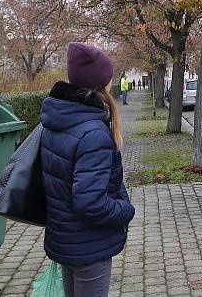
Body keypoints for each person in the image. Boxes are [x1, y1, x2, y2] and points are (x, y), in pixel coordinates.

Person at [40, 42, 135, 297]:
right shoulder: (93, 133)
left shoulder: (55, 122)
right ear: (100, 83)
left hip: (65, 239)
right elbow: (90, 202)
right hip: (89, 245)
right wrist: (125, 210)